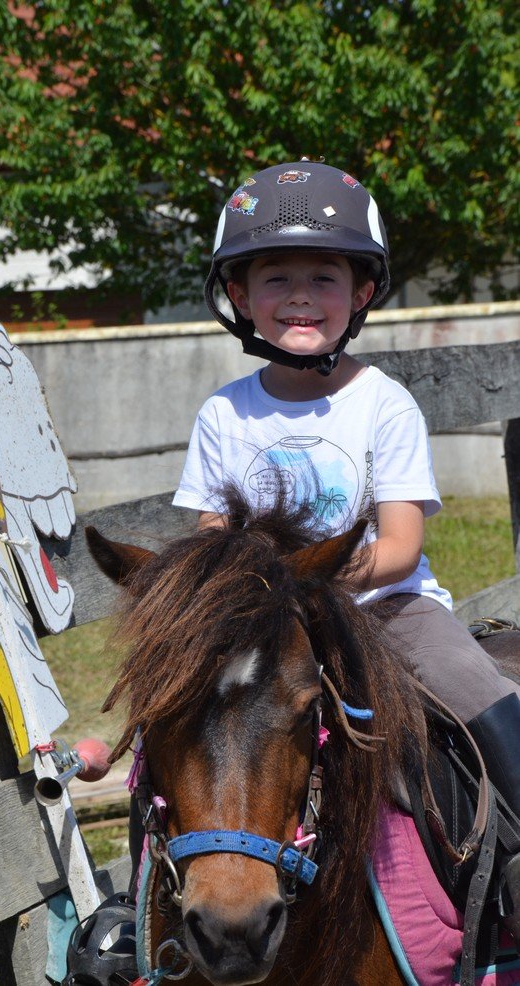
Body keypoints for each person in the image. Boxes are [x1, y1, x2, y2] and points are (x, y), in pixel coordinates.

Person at [172, 158, 520, 938]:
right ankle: (153, 889)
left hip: (386, 611)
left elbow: (397, 547)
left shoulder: (380, 404)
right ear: (238, 296)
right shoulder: (224, 416)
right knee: (182, 716)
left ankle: (514, 853)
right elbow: (209, 548)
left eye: (323, 277)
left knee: (472, 684)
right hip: (266, 628)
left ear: (360, 294)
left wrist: (304, 581)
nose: (300, 295)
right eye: (276, 277)